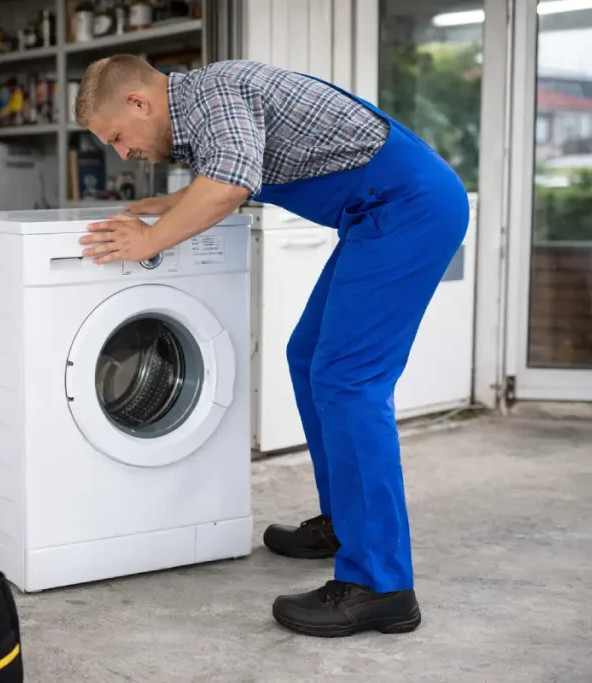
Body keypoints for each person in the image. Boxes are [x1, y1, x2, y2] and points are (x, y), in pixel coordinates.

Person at [75, 55, 468, 638]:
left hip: (408, 209)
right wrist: (170, 207)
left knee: (349, 380)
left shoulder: (210, 93)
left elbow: (232, 182)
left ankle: (381, 584)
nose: (122, 153)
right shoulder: (206, 107)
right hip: (380, 213)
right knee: (309, 356)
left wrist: (151, 240)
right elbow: (236, 170)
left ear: (139, 102)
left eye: (116, 137)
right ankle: (345, 522)